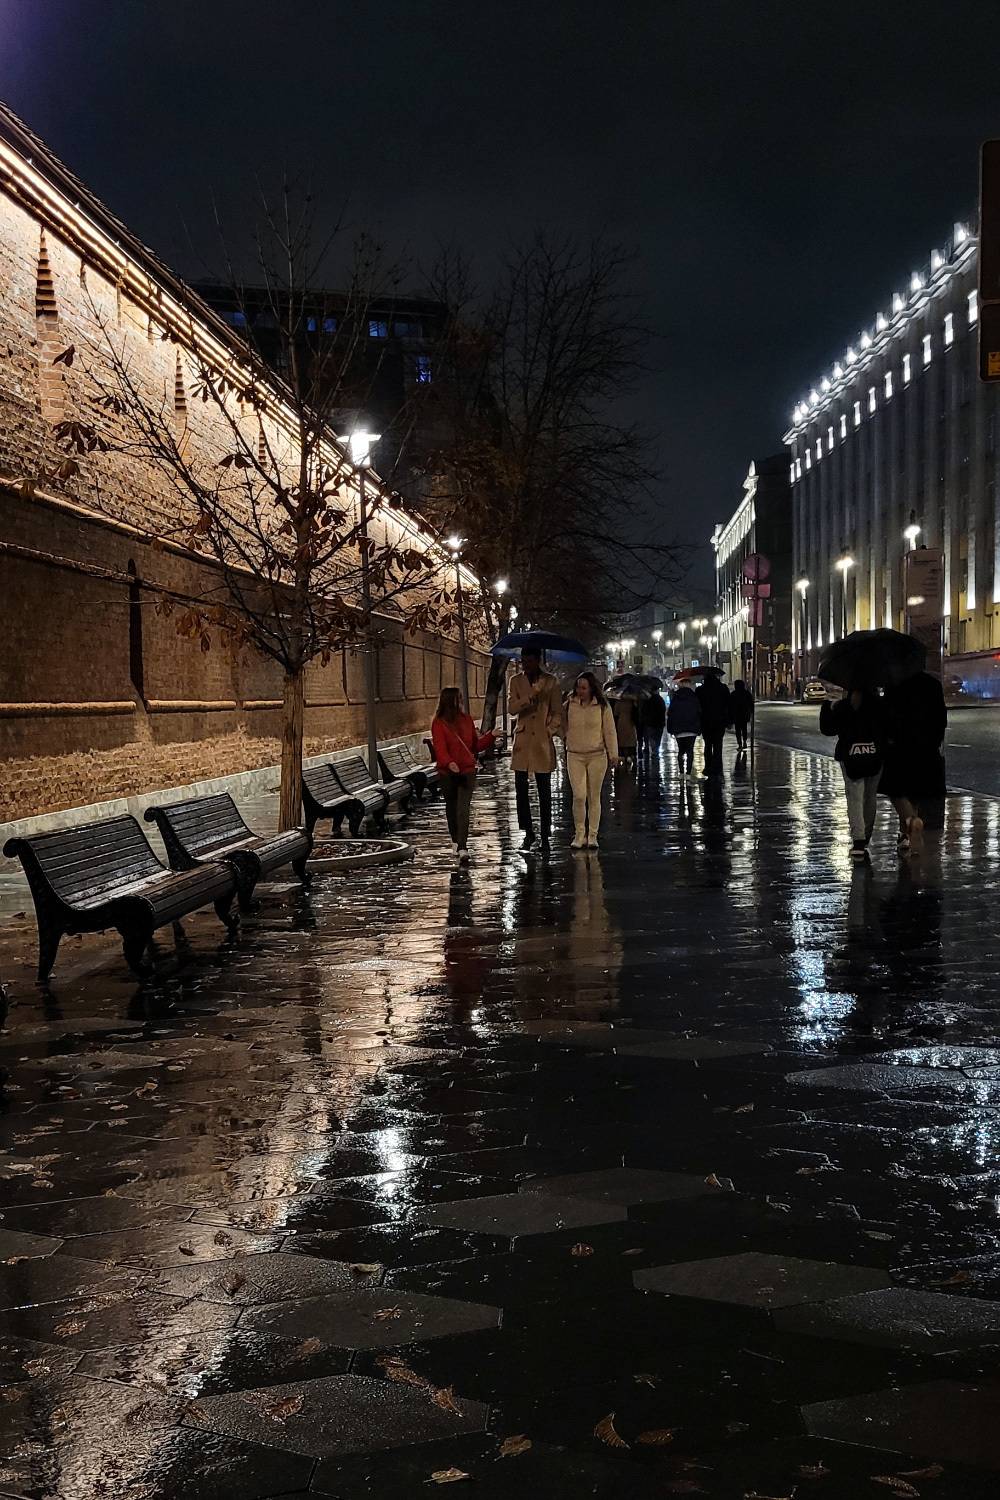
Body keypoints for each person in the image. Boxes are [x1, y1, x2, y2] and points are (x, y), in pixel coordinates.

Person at [879, 670, 948, 854]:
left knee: (897, 791)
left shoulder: (895, 684)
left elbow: (887, 718)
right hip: (927, 749)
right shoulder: (933, 684)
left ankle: (911, 821)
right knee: (915, 793)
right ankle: (905, 835)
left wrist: (889, 739)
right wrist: (935, 741)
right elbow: (941, 718)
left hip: (901, 748)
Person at [820, 684, 886, 861]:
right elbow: (888, 728)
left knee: (854, 796)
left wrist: (828, 704)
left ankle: (858, 840)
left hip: (850, 756)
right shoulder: (879, 705)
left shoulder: (844, 706)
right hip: (875, 755)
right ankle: (866, 836)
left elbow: (827, 729)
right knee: (870, 796)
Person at [508, 645, 564, 851]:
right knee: (521, 790)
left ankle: (545, 834)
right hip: (523, 742)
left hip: (541, 740)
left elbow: (557, 711)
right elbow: (511, 708)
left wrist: (549, 730)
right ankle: (528, 832)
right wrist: (530, 696)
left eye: (529, 661)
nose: (526, 666)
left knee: (544, 790)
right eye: (523, 662)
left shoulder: (551, 681)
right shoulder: (516, 681)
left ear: (538, 661)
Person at [431, 687, 495, 863]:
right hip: (447, 773)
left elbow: (475, 746)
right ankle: (455, 840)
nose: (461, 702)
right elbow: (440, 748)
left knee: (463, 808)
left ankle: (462, 846)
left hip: (467, 771)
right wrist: (449, 763)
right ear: (448, 701)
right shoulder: (439, 723)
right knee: (452, 807)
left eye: (460, 698)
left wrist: (491, 736)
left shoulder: (466, 720)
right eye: (458, 699)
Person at [564, 672, 619, 849]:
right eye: (578, 687)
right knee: (579, 796)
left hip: (597, 755)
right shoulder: (569, 704)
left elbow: (609, 730)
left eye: (584, 688)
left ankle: (593, 834)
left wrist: (613, 754)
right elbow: (560, 723)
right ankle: (579, 833)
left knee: (594, 796)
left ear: (591, 688)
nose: (580, 691)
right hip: (574, 755)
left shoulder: (602, 706)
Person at [696, 671, 732, 777]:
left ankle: (708, 766)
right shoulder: (723, 688)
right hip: (719, 721)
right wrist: (729, 721)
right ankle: (717, 767)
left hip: (705, 721)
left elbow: (697, 707)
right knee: (718, 744)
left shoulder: (700, 690)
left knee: (707, 745)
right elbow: (728, 705)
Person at [667, 681, 701, 776]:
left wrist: (670, 729)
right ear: (689, 685)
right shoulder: (694, 697)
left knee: (681, 751)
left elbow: (670, 713)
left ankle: (681, 773)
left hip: (678, 729)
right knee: (690, 751)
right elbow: (699, 712)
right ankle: (688, 774)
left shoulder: (676, 697)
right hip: (692, 728)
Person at [612, 694, 639, 764]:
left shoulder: (618, 702)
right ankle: (631, 758)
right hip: (631, 724)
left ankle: (624, 759)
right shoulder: (633, 702)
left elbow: (616, 713)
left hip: (621, 724)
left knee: (622, 742)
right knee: (631, 743)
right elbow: (636, 713)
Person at [639, 691, 666, 757]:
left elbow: (644, 711)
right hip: (660, 722)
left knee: (652, 737)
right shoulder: (660, 699)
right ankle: (656, 750)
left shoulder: (648, 701)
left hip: (650, 723)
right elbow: (663, 709)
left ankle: (654, 750)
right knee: (658, 738)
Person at [731, 679, 753, 752]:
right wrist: (751, 712)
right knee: (744, 728)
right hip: (744, 714)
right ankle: (744, 742)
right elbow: (751, 703)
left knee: (738, 730)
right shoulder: (746, 693)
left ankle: (740, 744)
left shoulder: (734, 694)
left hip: (737, 715)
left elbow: (730, 705)